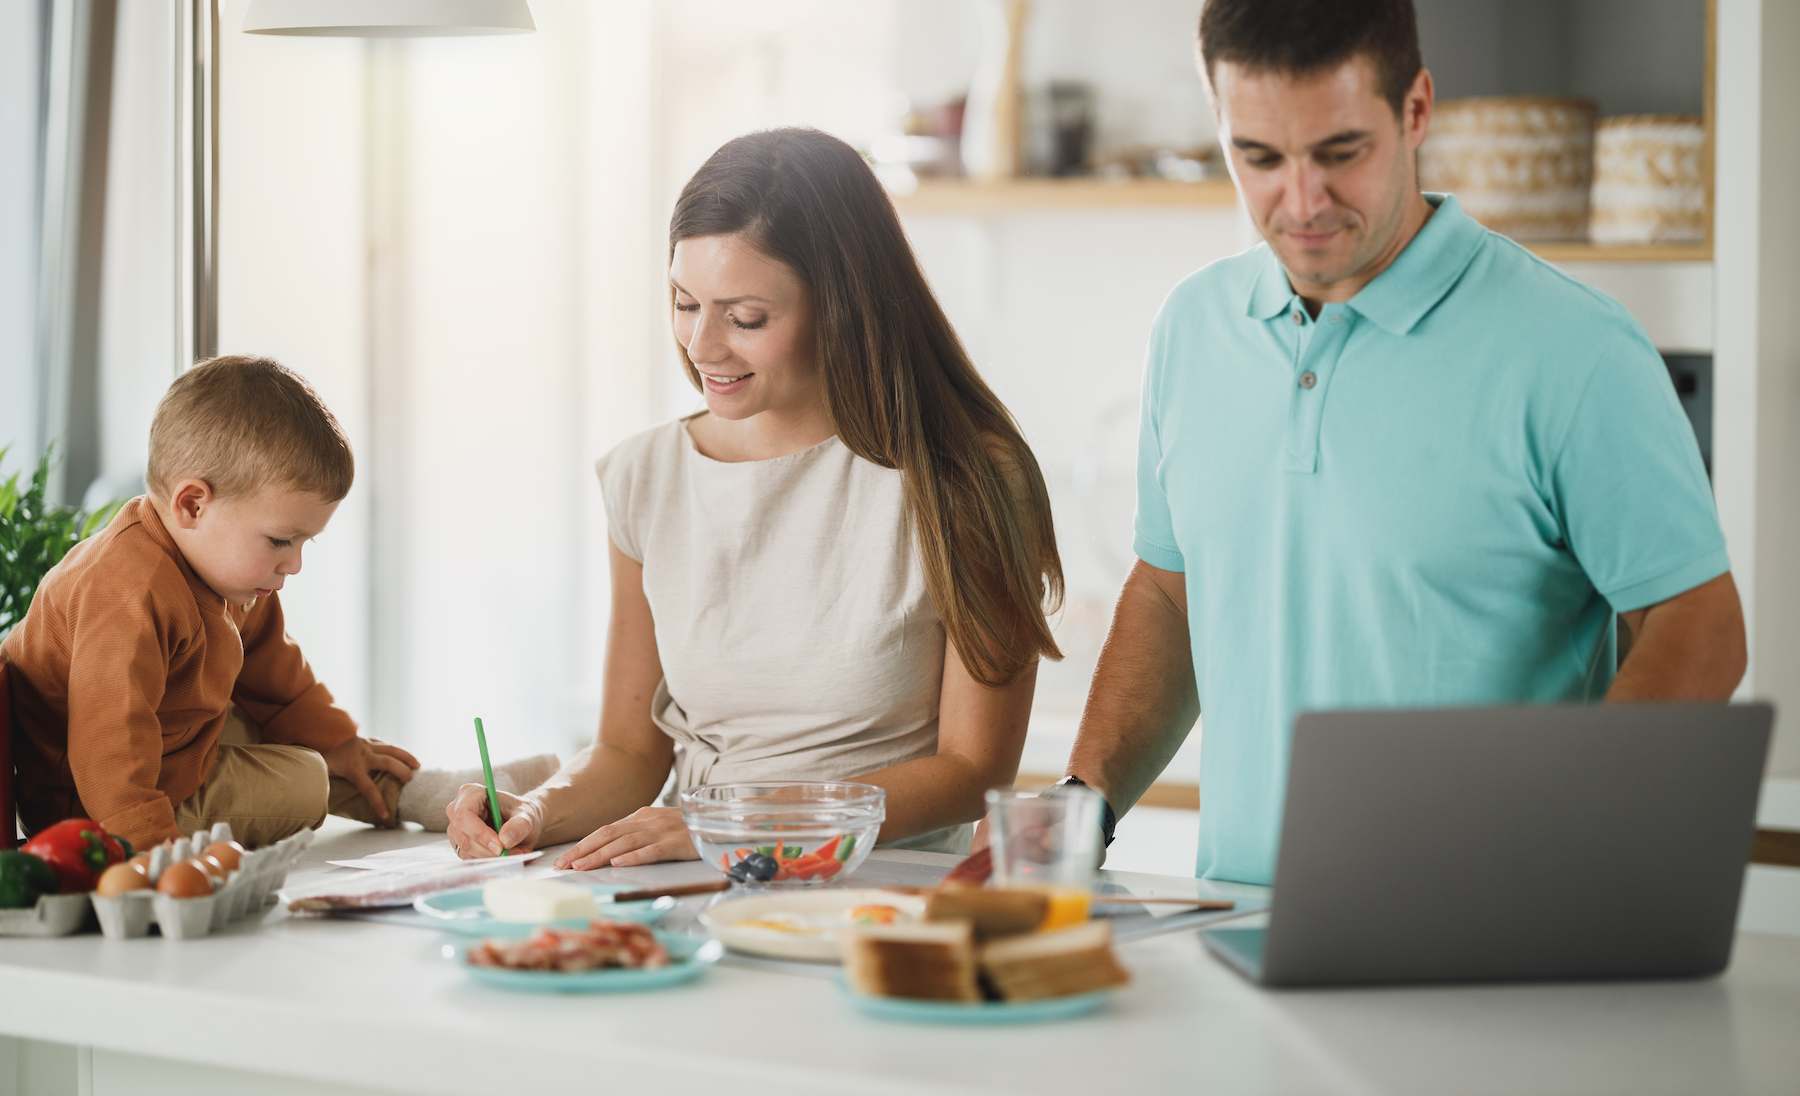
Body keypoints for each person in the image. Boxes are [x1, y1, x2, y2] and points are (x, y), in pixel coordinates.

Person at [1054, 0, 1746, 885]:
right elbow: (1172, 597)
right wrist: (1071, 821)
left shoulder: (1573, 349)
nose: (1300, 201)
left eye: (1340, 153)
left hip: (1483, 935)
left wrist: (1579, 841)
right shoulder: (1194, 327)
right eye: (1257, 156)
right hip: (1243, 924)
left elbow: (1696, 623)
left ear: (1416, 109)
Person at [446, 127, 1064, 866]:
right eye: (684, 303)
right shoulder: (648, 476)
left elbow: (972, 773)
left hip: (879, 889)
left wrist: (740, 824)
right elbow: (626, 751)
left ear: (843, 306)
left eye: (745, 319)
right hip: (693, 877)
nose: (702, 346)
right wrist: (538, 811)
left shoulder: (965, 478)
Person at [3, 356, 556, 850]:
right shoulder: (124, 591)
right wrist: (153, 861)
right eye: (280, 541)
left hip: (173, 742)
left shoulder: (226, 574)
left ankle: (438, 794)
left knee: (313, 736)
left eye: (303, 543)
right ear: (193, 504)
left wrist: (341, 741)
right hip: (96, 806)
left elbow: (277, 674)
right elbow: (110, 752)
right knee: (304, 777)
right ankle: (432, 798)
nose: (293, 564)